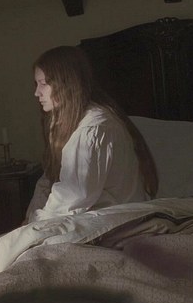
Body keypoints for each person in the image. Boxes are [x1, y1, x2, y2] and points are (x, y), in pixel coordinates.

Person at [24, 45, 159, 223]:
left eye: (43, 84)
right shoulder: (67, 123)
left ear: (66, 83)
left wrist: (35, 224)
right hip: (93, 217)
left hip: (115, 220)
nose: (37, 93)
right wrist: (31, 219)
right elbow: (50, 181)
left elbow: (73, 196)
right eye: (36, 84)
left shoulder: (95, 127)